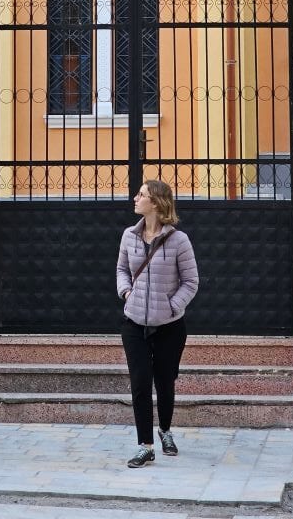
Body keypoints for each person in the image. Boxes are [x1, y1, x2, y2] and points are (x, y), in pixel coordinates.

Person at [116, 178, 199, 468]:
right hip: (134, 323)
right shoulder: (129, 235)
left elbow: (191, 282)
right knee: (140, 384)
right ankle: (145, 446)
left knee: (165, 383)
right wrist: (126, 292)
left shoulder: (179, 241)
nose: (135, 199)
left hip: (170, 327)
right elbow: (122, 270)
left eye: (141, 195)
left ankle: (165, 430)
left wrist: (171, 306)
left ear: (156, 203)